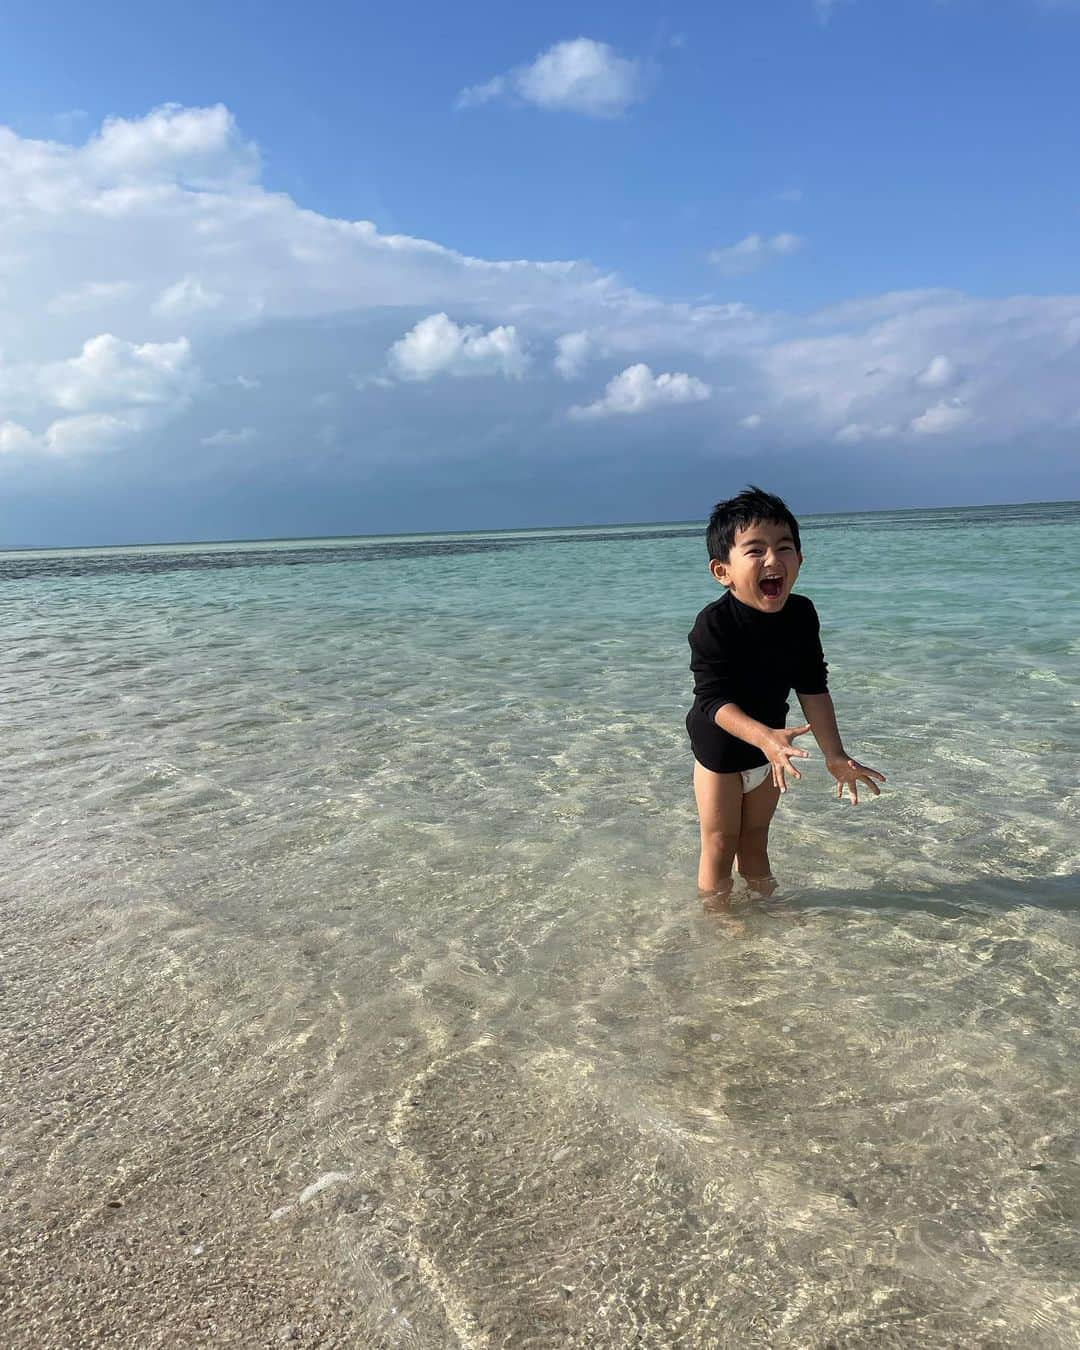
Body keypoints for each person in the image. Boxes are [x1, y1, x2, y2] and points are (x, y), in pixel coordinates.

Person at [686, 485, 885, 903]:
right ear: (722, 571)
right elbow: (712, 701)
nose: (773, 559)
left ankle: (766, 907)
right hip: (722, 752)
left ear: (800, 560)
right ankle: (719, 922)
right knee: (721, 844)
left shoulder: (801, 614)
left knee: (756, 840)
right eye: (755, 550)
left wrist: (835, 753)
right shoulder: (713, 624)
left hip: (774, 750)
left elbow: (812, 685)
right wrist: (765, 738)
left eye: (784, 547)